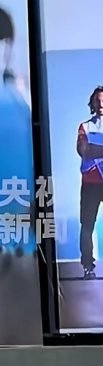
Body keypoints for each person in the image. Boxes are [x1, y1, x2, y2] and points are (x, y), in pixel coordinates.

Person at [76, 86, 103, 279]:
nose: (101, 104)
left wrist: (95, 148)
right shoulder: (85, 127)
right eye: (97, 101)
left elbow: (91, 149)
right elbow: (84, 150)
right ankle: (88, 266)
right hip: (91, 183)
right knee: (87, 225)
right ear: (92, 104)